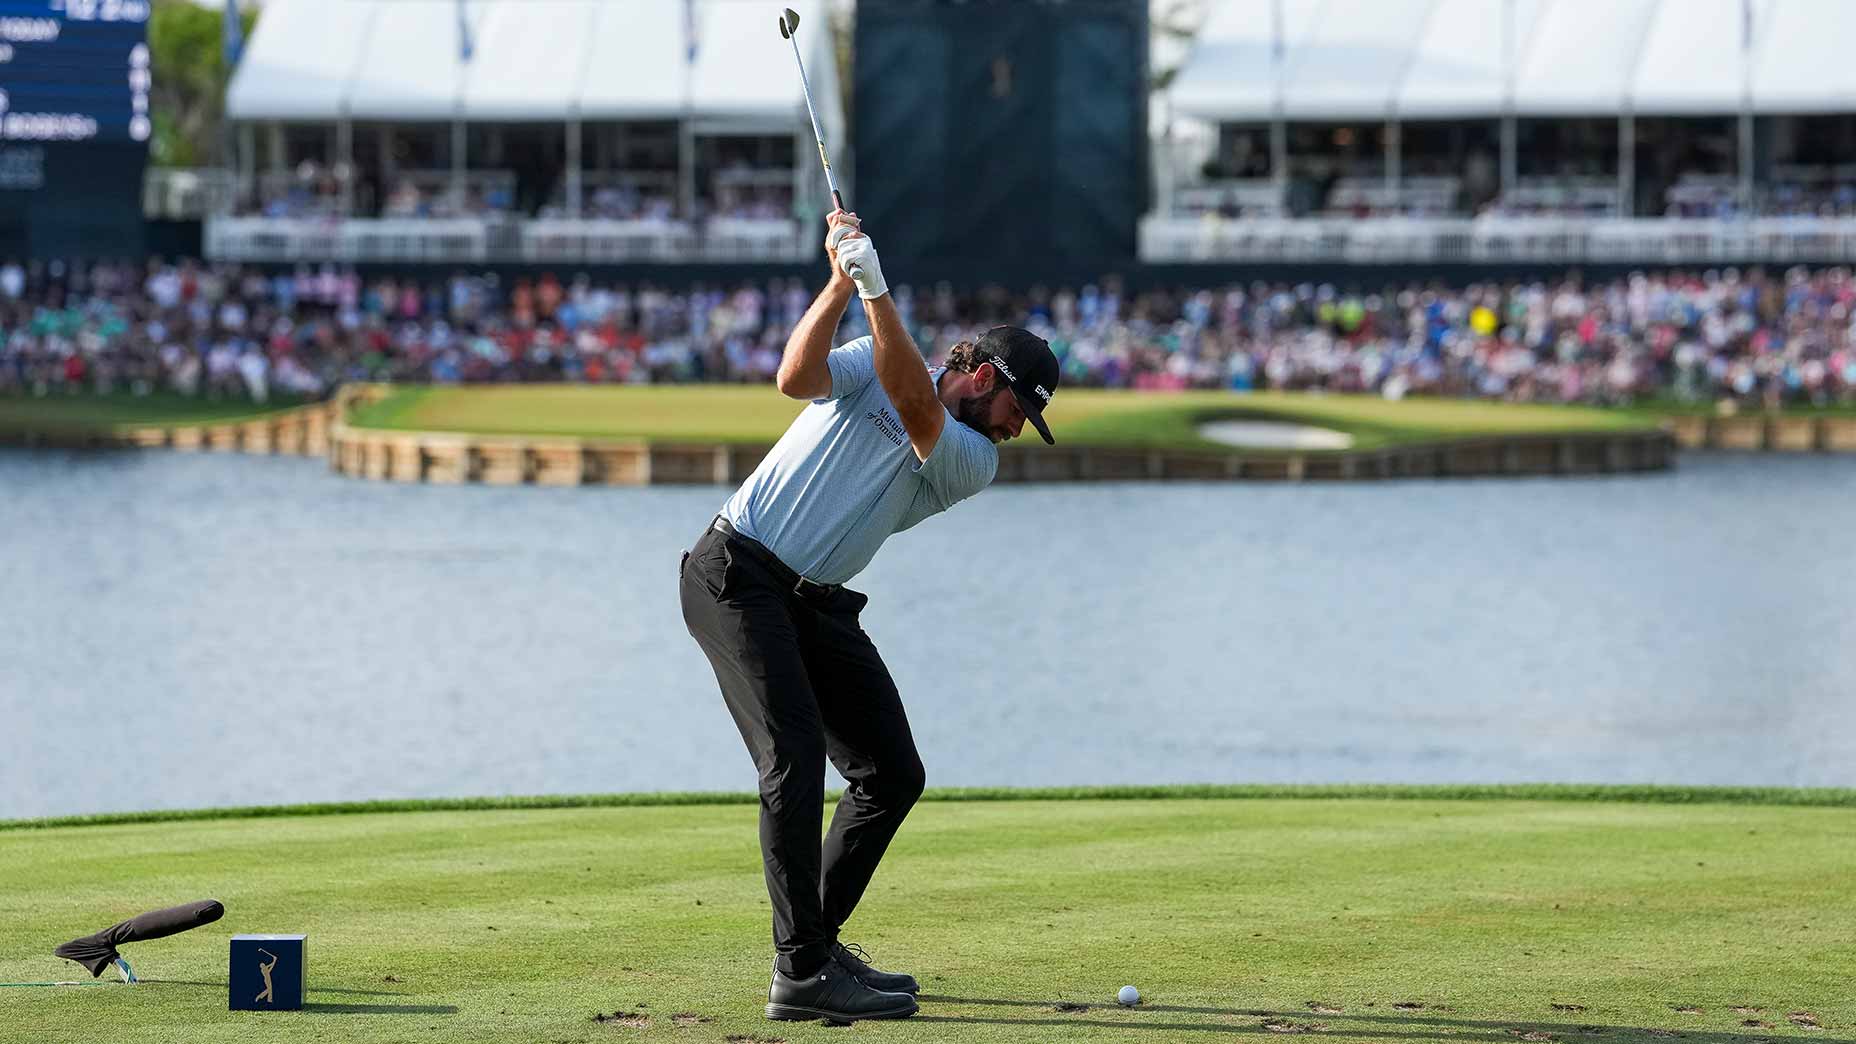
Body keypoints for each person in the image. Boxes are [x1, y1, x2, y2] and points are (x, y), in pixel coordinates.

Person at [678, 210, 1060, 1023]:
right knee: (794, 759)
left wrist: (875, 285)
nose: (1017, 429)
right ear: (985, 379)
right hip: (737, 574)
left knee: (892, 773)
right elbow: (794, 378)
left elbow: (916, 404)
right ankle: (802, 973)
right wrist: (838, 283)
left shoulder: (972, 459)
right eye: (1019, 408)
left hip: (813, 603)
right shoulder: (873, 358)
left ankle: (815, 945)